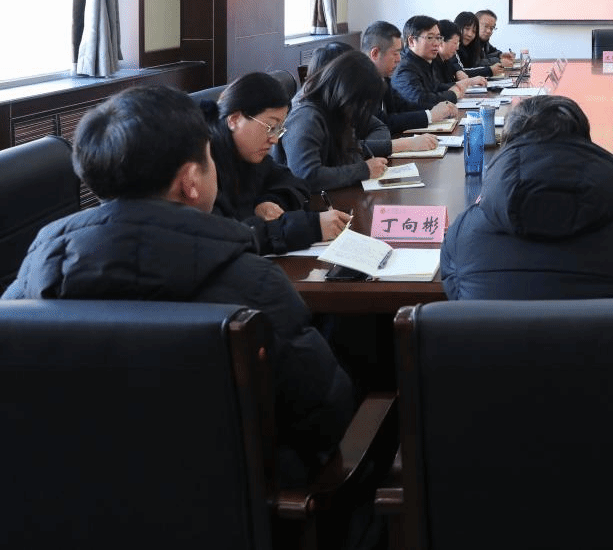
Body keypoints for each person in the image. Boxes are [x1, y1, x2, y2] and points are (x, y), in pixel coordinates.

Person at [3, 85, 355, 483]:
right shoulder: (253, 284)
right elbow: (327, 413)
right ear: (190, 180)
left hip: (65, 496)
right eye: (209, 157)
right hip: (229, 497)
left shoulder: (32, 280)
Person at [440, 95, 613, 300]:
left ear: (509, 147)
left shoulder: (463, 235)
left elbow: (455, 296)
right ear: (585, 143)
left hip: (501, 358)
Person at [205, 72, 351, 255]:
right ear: (234, 119)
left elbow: (294, 183)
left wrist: (267, 202)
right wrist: (311, 227)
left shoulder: (249, 154)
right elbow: (225, 237)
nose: (274, 139)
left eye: (278, 129)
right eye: (270, 127)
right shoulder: (203, 163)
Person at [275, 51, 418, 192]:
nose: (361, 109)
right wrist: (364, 170)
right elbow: (306, 176)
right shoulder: (306, 116)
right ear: (347, 91)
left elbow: (350, 150)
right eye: (361, 102)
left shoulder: (335, 106)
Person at [361, 19, 457, 136]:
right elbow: (382, 122)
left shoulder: (383, 77)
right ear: (375, 54)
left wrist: (439, 109)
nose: (399, 59)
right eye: (395, 53)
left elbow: (402, 106)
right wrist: (430, 116)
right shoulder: (359, 82)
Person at [392, 14, 468, 107]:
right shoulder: (404, 68)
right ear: (411, 41)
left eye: (438, 38)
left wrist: (458, 86)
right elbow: (421, 100)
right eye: (430, 37)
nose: (436, 43)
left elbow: (435, 87)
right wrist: (453, 94)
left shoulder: (424, 61)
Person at [434, 18, 489, 88]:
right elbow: (437, 88)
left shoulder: (447, 62)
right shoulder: (431, 63)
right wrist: (468, 82)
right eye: (455, 43)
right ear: (441, 42)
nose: (457, 48)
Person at [454, 10, 502, 78]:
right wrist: (491, 69)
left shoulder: (475, 43)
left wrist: (501, 55)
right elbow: (460, 72)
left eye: (474, 31)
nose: (470, 34)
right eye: (467, 29)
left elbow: (473, 66)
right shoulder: (453, 47)